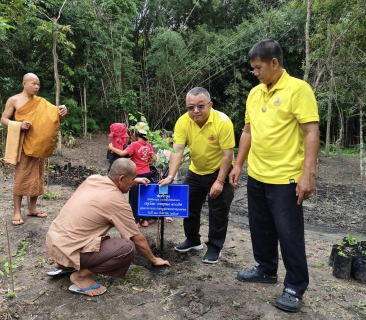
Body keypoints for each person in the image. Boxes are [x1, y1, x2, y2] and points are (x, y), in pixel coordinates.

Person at [229, 39, 320, 313]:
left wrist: (308, 174)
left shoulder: (298, 90)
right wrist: (237, 165)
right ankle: (266, 269)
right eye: (253, 69)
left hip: (286, 178)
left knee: (289, 234)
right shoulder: (255, 94)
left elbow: (311, 132)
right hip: (258, 174)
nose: (255, 73)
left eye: (258, 68)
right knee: (261, 227)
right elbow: (247, 132)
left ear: (274, 63)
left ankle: (295, 286)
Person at [45, 158, 170, 296]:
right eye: (133, 178)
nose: (133, 182)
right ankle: (80, 277)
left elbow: (115, 180)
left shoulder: (93, 179)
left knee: (82, 233)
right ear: (121, 178)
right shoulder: (117, 202)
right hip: (70, 247)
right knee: (127, 248)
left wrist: (134, 181)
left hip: (54, 242)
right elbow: (137, 239)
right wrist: (154, 259)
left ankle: (63, 264)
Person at [159, 87, 235, 264]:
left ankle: (214, 247)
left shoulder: (223, 122)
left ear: (210, 104)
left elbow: (227, 154)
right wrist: (170, 176)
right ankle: (193, 240)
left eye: (200, 106)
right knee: (189, 207)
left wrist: (219, 181)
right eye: (190, 107)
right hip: (195, 171)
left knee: (218, 212)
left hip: (219, 170)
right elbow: (177, 150)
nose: (195, 111)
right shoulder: (183, 122)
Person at [0, 73, 67, 226]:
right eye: (33, 83)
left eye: (38, 84)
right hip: (23, 144)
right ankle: (17, 211)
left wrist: (62, 112)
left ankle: (32, 208)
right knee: (21, 177)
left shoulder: (41, 102)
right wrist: (18, 124)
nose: (36, 87)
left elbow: (53, 116)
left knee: (37, 176)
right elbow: (4, 119)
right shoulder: (14, 100)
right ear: (24, 83)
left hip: (38, 145)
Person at [108, 122, 156, 228]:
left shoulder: (134, 144)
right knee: (145, 196)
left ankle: (136, 221)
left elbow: (122, 154)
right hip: (147, 173)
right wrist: (147, 160)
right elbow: (154, 159)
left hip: (137, 175)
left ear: (136, 134)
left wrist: (111, 148)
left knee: (134, 198)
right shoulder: (148, 145)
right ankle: (146, 220)